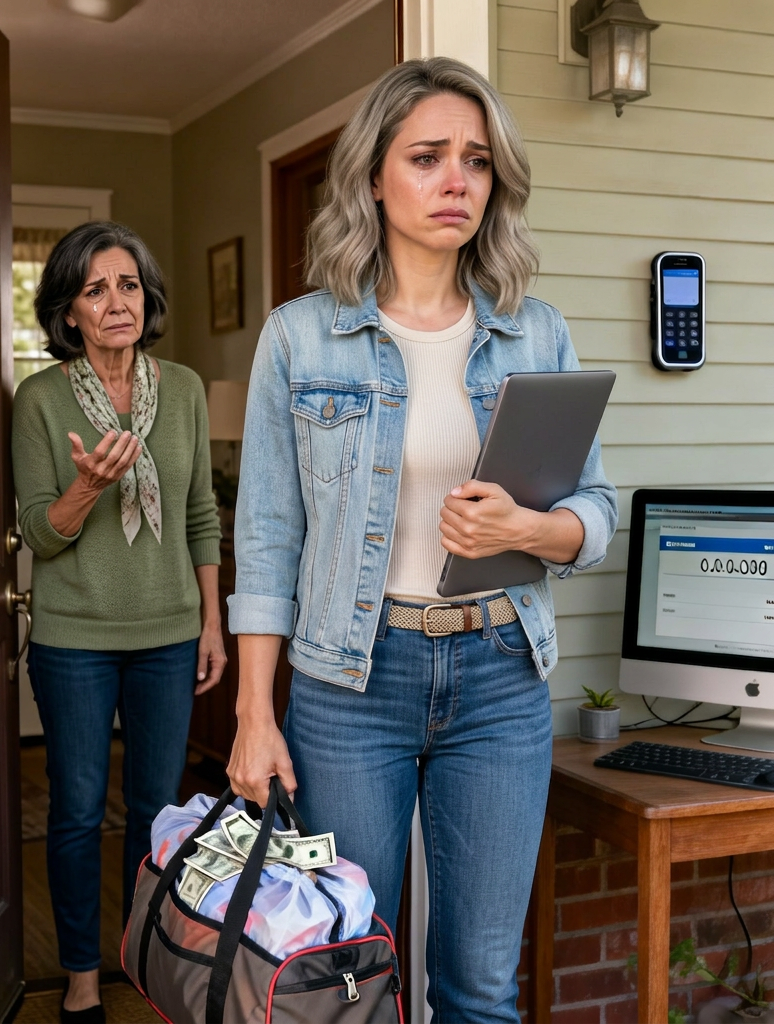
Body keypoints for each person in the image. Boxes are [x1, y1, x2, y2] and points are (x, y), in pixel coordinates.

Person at [226, 58, 618, 1022]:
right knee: (349, 983)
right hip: (350, 685)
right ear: (373, 177)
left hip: (500, 676)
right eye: (429, 157)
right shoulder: (300, 339)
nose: (457, 182)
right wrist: (252, 713)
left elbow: (598, 512)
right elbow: (269, 538)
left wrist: (533, 528)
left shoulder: (537, 335)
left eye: (477, 162)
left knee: (481, 989)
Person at [13, 222, 225, 1023]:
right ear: (69, 313)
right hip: (74, 641)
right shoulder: (39, 399)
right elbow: (39, 530)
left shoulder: (188, 390)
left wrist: (212, 622)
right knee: (73, 811)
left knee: (156, 809)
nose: (116, 302)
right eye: (95, 290)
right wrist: (88, 486)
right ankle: (76, 974)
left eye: (128, 285)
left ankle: (144, 956)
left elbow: (201, 514)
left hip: (170, 635)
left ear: (147, 297)